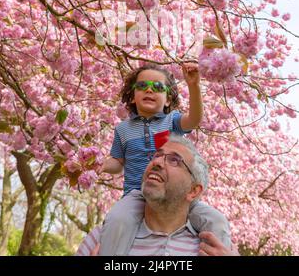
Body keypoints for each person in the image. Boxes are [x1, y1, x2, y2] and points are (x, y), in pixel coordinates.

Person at [97, 63, 230, 255]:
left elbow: (194, 119)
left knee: (215, 219)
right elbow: (118, 163)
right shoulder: (122, 130)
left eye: (158, 87)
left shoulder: (172, 121)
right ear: (133, 96)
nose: (149, 89)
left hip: (173, 195)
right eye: (142, 86)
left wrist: (193, 86)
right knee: (118, 220)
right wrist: (99, 165)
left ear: (168, 100)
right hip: (136, 193)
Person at [77, 135, 237, 256]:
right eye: (157, 155)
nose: (158, 162)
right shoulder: (103, 239)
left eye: (174, 160)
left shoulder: (215, 250)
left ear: (193, 191)